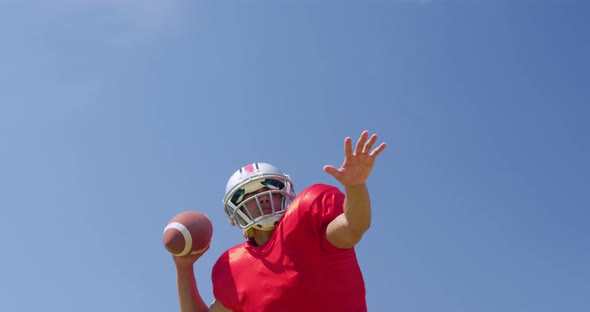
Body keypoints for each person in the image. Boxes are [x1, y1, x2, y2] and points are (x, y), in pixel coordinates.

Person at [172, 130, 387, 312]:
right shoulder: (232, 268)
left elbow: (354, 226)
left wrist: (355, 187)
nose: (263, 197)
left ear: (284, 192)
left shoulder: (307, 218)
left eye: (269, 189)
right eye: (248, 196)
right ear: (235, 211)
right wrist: (184, 268)